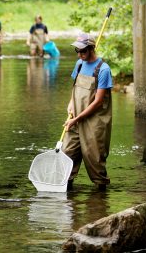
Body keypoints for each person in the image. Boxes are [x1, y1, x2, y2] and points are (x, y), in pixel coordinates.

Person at [62, 33, 113, 191]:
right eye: (77, 51)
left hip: (94, 122)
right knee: (66, 155)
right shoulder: (79, 64)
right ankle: (67, 195)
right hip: (75, 119)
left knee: (95, 160)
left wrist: (76, 119)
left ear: (92, 49)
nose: (79, 54)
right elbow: (74, 88)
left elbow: (98, 102)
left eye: (83, 51)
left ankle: (100, 201)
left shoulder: (103, 69)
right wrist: (71, 104)